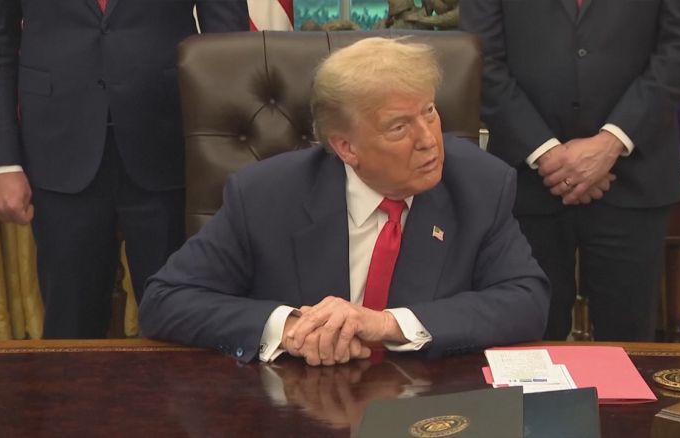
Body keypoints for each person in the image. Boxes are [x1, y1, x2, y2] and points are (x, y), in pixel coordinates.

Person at [139, 37, 551, 366]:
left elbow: (526, 301)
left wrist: (387, 324)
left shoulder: (479, 183)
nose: (429, 140)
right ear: (346, 148)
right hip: (298, 405)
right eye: (399, 127)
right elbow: (166, 300)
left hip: (428, 407)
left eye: (429, 111)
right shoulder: (265, 195)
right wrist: (290, 328)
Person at [460, 1, 680, 341]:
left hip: (635, 178)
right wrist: (546, 153)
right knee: (527, 344)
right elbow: (481, 57)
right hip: (527, 181)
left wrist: (611, 144)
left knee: (628, 346)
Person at [0, 1, 250, 338]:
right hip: (58, 146)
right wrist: (5, 162)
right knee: (70, 326)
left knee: (177, 320)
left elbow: (228, 42)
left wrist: (226, 153)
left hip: (167, 143)